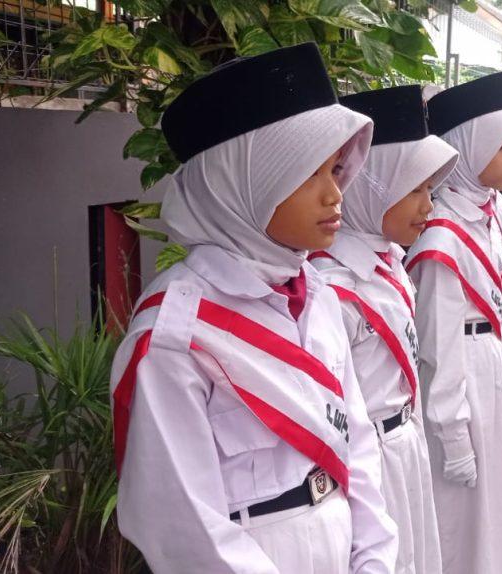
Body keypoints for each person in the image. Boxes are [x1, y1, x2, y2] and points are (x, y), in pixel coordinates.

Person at [109, 44, 398, 572]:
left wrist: (375, 559)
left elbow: (355, 442)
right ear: (240, 184)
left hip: (342, 544)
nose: (335, 194)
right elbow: (183, 527)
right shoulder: (174, 334)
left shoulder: (316, 294)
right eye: (309, 174)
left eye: (336, 169)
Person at [310, 85, 459, 574]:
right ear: (371, 186)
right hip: (370, 463)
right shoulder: (333, 287)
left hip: (405, 446)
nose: (429, 206)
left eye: (430, 191)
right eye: (415, 190)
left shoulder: (388, 260)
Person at [404, 71, 502, 574]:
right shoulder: (441, 235)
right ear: (468, 145)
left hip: (487, 365)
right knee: (458, 511)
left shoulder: (492, 210)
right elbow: (438, 347)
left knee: (489, 505)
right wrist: (453, 436)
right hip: (458, 383)